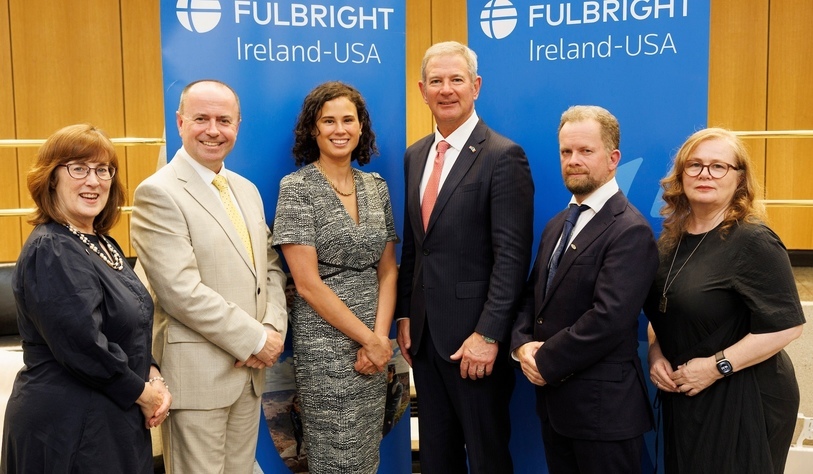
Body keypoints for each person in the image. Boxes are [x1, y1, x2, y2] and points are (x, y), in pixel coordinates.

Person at [131, 79, 288, 474]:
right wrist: (255, 339)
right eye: (201, 118)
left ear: (238, 125)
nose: (213, 130)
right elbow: (179, 291)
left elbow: (270, 267)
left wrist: (272, 329)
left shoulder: (246, 190)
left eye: (224, 120)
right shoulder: (158, 193)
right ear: (180, 122)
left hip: (249, 375)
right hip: (198, 378)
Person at [396, 41, 534, 474]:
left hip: (475, 344)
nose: (446, 89)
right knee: (437, 460)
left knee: (487, 458)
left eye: (456, 79)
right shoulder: (415, 155)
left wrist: (488, 335)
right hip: (425, 342)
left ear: (476, 86)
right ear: (422, 90)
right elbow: (416, 245)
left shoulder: (503, 156)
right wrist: (406, 315)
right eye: (436, 81)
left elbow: (512, 257)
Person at [1, 124, 171, 473]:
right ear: (51, 178)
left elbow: (132, 324)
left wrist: (154, 376)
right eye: (78, 168)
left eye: (103, 169)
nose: (93, 181)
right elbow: (84, 346)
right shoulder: (52, 248)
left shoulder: (103, 243)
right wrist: (144, 394)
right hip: (68, 430)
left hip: (112, 418)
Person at [643, 127, 805, 474]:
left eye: (719, 166)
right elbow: (663, 312)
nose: (705, 173)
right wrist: (655, 354)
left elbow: (787, 325)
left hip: (745, 394)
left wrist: (715, 367)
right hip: (688, 391)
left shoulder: (754, 241)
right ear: (681, 175)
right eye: (695, 165)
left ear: (739, 178)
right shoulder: (669, 242)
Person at [511, 105, 658, 474]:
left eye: (585, 151)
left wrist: (544, 361)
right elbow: (532, 296)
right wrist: (521, 345)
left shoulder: (630, 229)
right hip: (555, 408)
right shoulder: (557, 224)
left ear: (613, 158)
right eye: (566, 151)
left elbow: (609, 318)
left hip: (603, 414)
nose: (573, 161)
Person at [272, 81, 397, 473]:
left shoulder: (377, 187)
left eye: (348, 120)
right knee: (335, 455)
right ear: (313, 129)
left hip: (375, 343)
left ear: (361, 128)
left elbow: (388, 270)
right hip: (324, 344)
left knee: (366, 452)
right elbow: (307, 284)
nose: (339, 129)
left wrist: (379, 340)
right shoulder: (296, 189)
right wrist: (369, 340)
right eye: (328, 121)